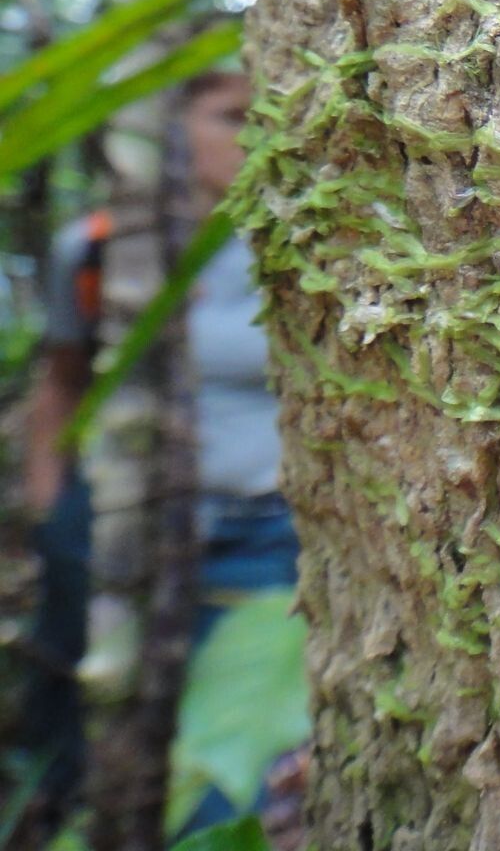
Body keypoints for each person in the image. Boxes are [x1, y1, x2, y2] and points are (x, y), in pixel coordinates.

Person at [18, 69, 296, 830]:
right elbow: (60, 384)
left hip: (267, 529)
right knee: (100, 726)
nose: (251, 133)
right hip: (119, 528)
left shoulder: (304, 244)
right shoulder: (104, 247)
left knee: (233, 747)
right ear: (171, 131)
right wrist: (53, 509)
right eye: (231, 116)